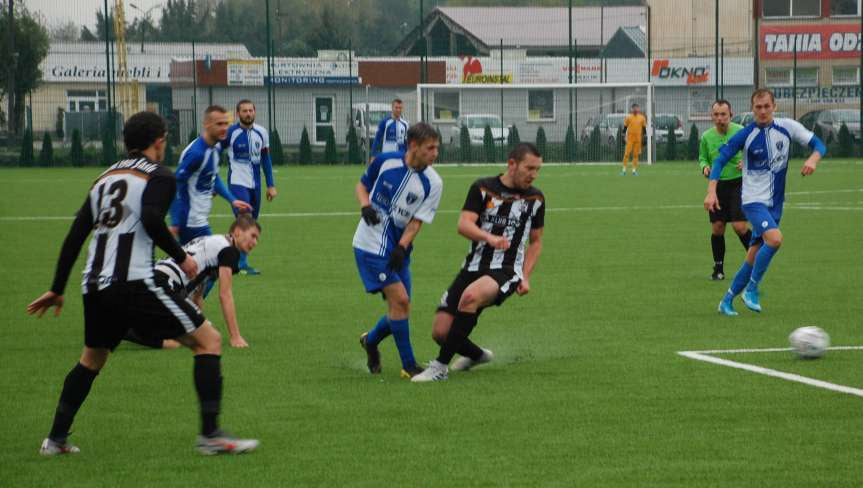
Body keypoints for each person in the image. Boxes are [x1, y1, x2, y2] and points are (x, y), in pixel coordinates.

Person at [27, 111, 258, 456]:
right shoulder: (160, 176)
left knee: (92, 359)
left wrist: (57, 287)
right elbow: (151, 217)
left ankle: (55, 439)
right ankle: (211, 436)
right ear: (159, 140)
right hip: (132, 281)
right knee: (208, 340)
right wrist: (181, 257)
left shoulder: (103, 178)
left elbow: (76, 234)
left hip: (93, 284)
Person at [412, 143, 545, 383]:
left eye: (537, 170)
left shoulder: (535, 198)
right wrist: (489, 238)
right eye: (529, 168)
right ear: (512, 164)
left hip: (506, 269)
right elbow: (464, 225)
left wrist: (525, 276)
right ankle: (478, 355)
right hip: (473, 266)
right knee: (441, 332)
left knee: (470, 297)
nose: (533, 175)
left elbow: (536, 242)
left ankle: (439, 367)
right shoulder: (483, 188)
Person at [705, 89, 826, 316]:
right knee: (775, 239)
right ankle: (751, 289)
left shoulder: (788, 127)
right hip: (752, 201)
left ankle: (726, 301)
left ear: (774, 107)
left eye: (766, 107)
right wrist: (711, 191)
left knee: (753, 254)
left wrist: (813, 159)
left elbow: (819, 145)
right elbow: (720, 160)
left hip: (775, 204)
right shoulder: (746, 134)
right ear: (752, 109)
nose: (762, 111)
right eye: (757, 108)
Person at [355, 123, 442, 379]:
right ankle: (409, 365)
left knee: (401, 307)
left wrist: (402, 248)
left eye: (437, 148)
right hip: (369, 244)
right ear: (413, 145)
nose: (435, 153)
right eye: (430, 148)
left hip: (398, 249)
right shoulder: (385, 161)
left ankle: (370, 341)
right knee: (400, 302)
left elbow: (416, 222)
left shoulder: (434, 183)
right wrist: (364, 206)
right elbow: (362, 185)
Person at [125, 214, 261, 349]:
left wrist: (199, 322)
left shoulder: (213, 241)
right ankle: (125, 330)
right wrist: (235, 336)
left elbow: (197, 296)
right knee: (173, 343)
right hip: (166, 285)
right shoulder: (230, 251)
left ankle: (130, 322)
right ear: (237, 232)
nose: (255, 242)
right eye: (253, 236)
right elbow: (225, 295)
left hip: (152, 278)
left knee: (201, 332)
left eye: (257, 239)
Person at [170, 105, 252, 245]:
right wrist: (176, 222)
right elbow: (173, 184)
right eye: (219, 124)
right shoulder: (197, 153)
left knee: (192, 264)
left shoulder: (215, 147)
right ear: (206, 125)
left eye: (226, 124)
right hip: (191, 222)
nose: (224, 128)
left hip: (199, 220)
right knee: (217, 257)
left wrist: (232, 200)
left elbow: (213, 177)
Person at [698, 99, 752, 280]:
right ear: (711, 116)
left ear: (731, 114)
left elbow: (752, 152)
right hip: (717, 186)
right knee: (718, 228)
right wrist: (704, 167)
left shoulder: (741, 132)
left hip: (738, 184)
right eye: (716, 115)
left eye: (724, 114)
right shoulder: (706, 137)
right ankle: (718, 268)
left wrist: (745, 161)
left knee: (739, 226)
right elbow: (702, 158)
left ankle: (755, 259)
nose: (720, 118)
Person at [224, 100, 277, 275]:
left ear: (255, 112)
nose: (248, 114)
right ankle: (234, 262)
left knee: (250, 224)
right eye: (244, 111)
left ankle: (239, 262)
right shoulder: (230, 132)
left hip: (255, 184)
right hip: (237, 182)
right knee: (245, 218)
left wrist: (270, 185)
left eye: (250, 110)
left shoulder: (262, 132)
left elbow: (266, 160)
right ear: (237, 113)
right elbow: (215, 152)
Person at [621, 103, 647, 176]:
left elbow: (644, 129)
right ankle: (624, 170)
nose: (635, 109)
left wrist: (645, 138)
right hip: (630, 139)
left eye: (637, 108)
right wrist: (623, 137)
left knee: (635, 155)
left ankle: (634, 170)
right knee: (626, 154)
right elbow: (625, 128)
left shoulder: (642, 118)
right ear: (631, 109)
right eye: (634, 108)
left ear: (638, 109)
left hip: (638, 139)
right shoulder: (628, 117)